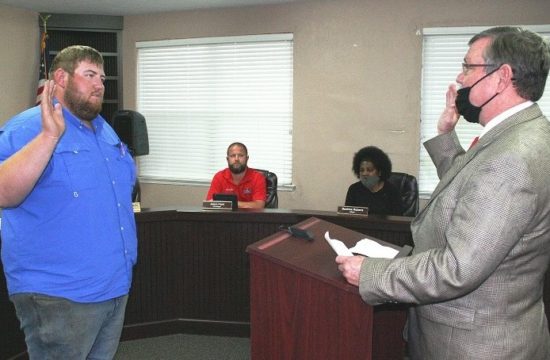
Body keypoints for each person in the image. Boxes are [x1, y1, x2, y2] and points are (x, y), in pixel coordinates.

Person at [336, 26, 550, 359]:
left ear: (501, 77)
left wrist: (369, 273)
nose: (460, 76)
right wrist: (445, 134)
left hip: (474, 344)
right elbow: (472, 187)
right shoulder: (521, 134)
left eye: (468, 67)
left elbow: (457, 268)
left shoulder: (511, 158)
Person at [0, 46, 137, 359]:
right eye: (89, 75)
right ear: (60, 77)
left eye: (101, 77)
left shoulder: (104, 131)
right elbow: (3, 192)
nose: (100, 84)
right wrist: (49, 137)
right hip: (59, 294)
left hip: (113, 287)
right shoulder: (28, 127)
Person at [205, 142, 266, 209]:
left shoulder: (257, 177)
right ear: (227, 159)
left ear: (247, 158)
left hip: (249, 218)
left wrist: (229, 203)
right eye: (232, 156)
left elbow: (259, 206)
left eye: (241, 155)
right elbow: (209, 204)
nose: (236, 159)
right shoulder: (219, 177)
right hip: (225, 218)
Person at [344, 146, 402, 215]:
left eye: (370, 170)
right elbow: (348, 217)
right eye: (362, 170)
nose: (364, 173)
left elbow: (397, 219)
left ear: (380, 172)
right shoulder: (354, 190)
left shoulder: (392, 191)